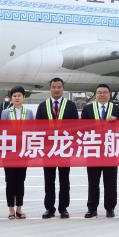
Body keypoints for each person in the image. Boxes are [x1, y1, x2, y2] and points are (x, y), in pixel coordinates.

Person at [35, 76, 78, 218]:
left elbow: (76, 127)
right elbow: (37, 128)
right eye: (54, 87)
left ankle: (63, 208)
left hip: (65, 148)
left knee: (64, 180)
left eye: (59, 87)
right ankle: (49, 208)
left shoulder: (70, 105)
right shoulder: (43, 106)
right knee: (49, 180)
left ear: (63, 89)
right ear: (50, 89)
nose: (56, 89)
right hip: (48, 150)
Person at [82, 83, 119, 218]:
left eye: (105, 92)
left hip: (110, 149)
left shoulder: (116, 108)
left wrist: (117, 119)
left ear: (109, 95)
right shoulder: (88, 109)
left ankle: (110, 208)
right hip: (93, 150)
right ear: (95, 95)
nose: (102, 95)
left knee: (110, 182)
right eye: (99, 92)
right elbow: (81, 127)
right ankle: (92, 208)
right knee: (93, 181)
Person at [1, 86, 33, 219]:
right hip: (9, 151)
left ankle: (19, 208)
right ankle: (10, 209)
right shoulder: (5, 113)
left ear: (23, 97)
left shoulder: (29, 112)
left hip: (23, 151)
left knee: (20, 180)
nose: (17, 98)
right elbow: (2, 130)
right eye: (14, 96)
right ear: (11, 98)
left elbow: (32, 130)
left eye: (19, 95)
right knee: (10, 181)